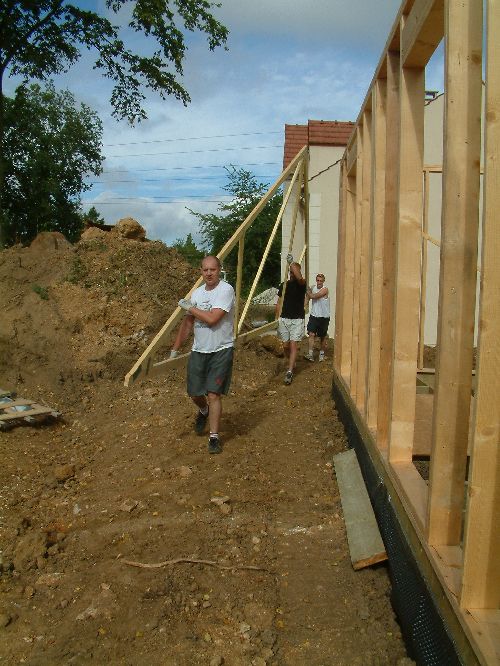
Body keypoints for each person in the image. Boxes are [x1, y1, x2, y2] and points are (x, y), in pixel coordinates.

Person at [171, 255, 235, 454]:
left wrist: (190, 307)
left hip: (221, 349)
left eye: (212, 270)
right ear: (201, 271)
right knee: (194, 392)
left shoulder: (226, 290)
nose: (209, 273)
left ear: (219, 270)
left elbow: (213, 319)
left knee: (213, 394)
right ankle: (203, 410)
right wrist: (175, 348)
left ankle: (214, 437)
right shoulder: (197, 293)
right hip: (199, 349)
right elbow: (188, 323)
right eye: (205, 270)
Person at [276, 255, 306, 385]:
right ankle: (291, 362)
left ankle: (289, 371)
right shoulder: (283, 285)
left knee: (293, 345)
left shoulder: (302, 285)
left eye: (293, 271)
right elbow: (278, 303)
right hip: (284, 319)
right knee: (285, 346)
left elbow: (299, 277)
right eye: (290, 271)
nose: (292, 273)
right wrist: (276, 318)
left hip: (297, 319)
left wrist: (291, 262)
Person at [304, 273, 330, 362]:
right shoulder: (313, 288)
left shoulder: (325, 289)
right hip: (314, 315)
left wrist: (307, 289)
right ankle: (310, 354)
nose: (319, 282)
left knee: (322, 337)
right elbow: (308, 297)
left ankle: (321, 355)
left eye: (321, 281)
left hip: (324, 317)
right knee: (311, 334)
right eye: (318, 280)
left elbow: (313, 296)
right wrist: (304, 305)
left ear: (323, 281)